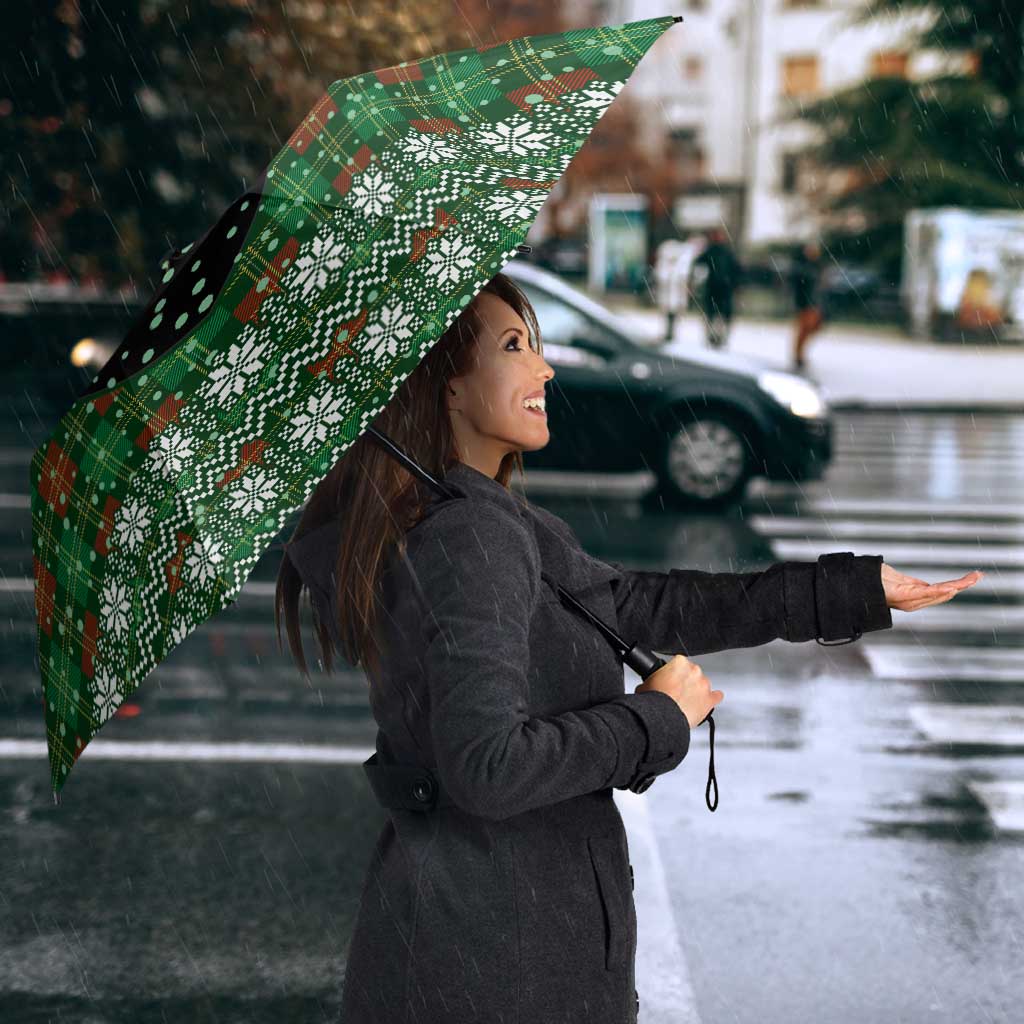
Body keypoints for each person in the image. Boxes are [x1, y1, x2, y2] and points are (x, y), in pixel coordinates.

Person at [275, 271, 924, 1024]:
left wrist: (849, 591)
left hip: (474, 938)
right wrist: (653, 719)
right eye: (514, 346)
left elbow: (642, 605)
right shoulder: (473, 537)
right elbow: (488, 767)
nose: (544, 367)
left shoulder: (477, 520)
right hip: (500, 960)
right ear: (446, 387)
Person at [692, 226, 742, 349]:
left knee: (720, 315)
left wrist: (735, 284)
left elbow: (736, 270)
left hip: (723, 288)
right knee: (713, 314)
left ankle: (719, 337)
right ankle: (713, 337)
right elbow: (698, 264)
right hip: (715, 288)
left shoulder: (725, 252)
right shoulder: (712, 251)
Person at [790, 239, 826, 371]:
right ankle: (798, 355)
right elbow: (799, 286)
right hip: (805, 303)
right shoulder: (802, 267)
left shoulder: (817, 266)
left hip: (814, 303)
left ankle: (800, 354)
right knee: (804, 329)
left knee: (812, 328)